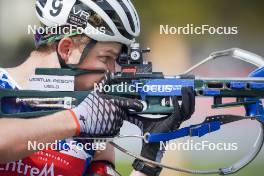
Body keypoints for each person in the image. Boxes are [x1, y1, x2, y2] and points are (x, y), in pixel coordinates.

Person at [0, 0, 195, 175]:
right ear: (66, 49)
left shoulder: (89, 120)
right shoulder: (84, 116)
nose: (111, 70)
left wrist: (150, 158)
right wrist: (77, 120)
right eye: (106, 58)